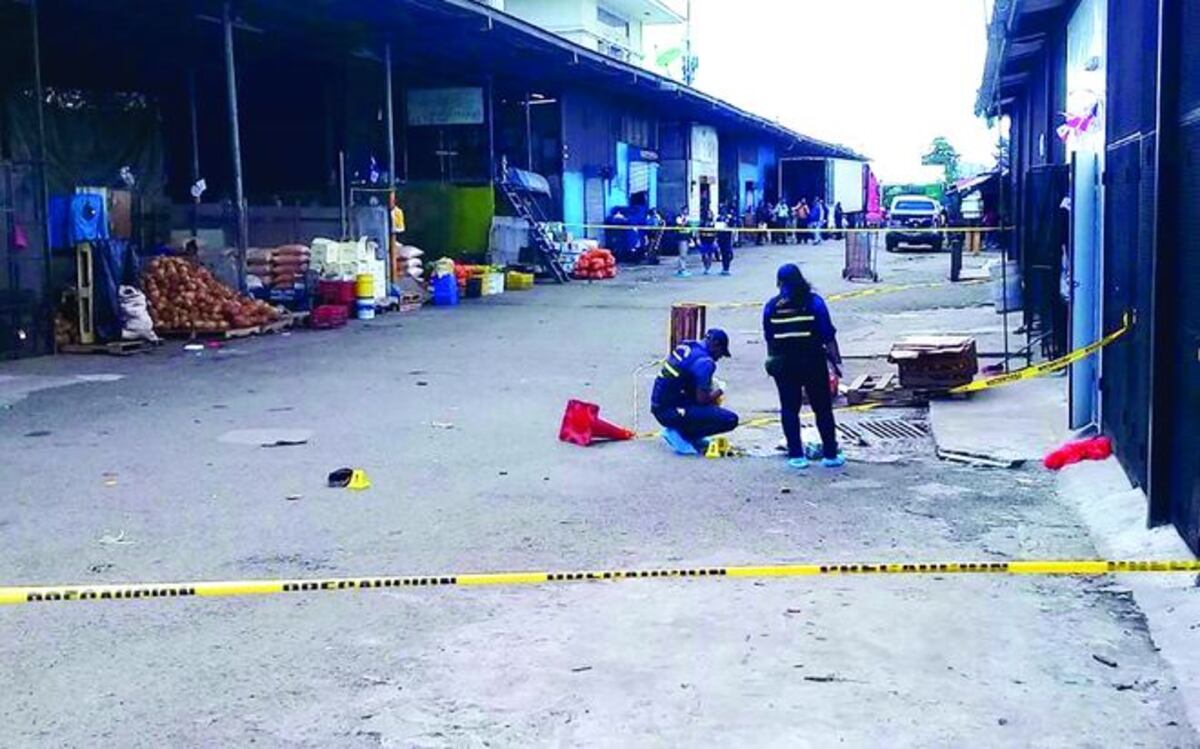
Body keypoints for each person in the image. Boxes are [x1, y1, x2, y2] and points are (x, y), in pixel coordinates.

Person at [763, 264, 845, 469]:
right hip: (812, 362)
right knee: (822, 408)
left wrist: (773, 362)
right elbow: (828, 335)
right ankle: (830, 455)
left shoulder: (771, 307)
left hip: (784, 364)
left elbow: (769, 338)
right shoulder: (814, 303)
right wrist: (836, 363)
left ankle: (796, 455)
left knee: (790, 409)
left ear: (779, 283)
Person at [652, 329, 739, 455]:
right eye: (721, 352)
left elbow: (685, 374)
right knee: (730, 419)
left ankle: (684, 430)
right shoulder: (706, 363)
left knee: (708, 402)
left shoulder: (687, 346)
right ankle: (682, 433)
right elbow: (702, 400)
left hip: (660, 404)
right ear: (715, 345)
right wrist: (720, 390)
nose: (719, 357)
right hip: (670, 411)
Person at [716, 208, 735, 275]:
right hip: (721, 238)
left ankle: (726, 267)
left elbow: (732, 227)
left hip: (728, 238)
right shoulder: (718, 218)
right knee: (723, 254)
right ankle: (725, 269)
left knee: (729, 254)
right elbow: (717, 228)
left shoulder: (729, 218)